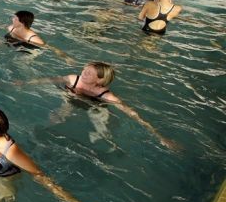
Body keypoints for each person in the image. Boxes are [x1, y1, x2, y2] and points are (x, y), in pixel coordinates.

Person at [18, 62, 177, 149]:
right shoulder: (74, 79)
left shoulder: (106, 95)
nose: (83, 73)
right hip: (71, 98)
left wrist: (159, 136)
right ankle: (39, 140)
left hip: (92, 104)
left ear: (99, 81)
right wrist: (24, 83)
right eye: (84, 70)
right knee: (57, 117)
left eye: (88, 73)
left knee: (104, 130)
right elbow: (50, 80)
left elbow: (131, 113)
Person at [5, 10, 71, 62]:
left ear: (22, 23)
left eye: (15, 19)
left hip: (30, 49)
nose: (12, 19)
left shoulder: (33, 38)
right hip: (15, 43)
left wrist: (66, 58)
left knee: (20, 63)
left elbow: (51, 48)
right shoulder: (11, 28)